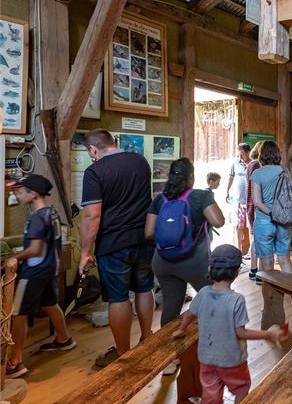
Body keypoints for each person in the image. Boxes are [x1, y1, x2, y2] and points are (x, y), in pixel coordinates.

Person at [171, 244, 288, 404]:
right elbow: (240, 333)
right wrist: (268, 334)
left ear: (210, 269)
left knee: (209, 401)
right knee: (241, 388)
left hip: (207, 359)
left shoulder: (202, 293)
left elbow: (189, 314)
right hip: (232, 361)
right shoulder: (236, 300)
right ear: (237, 271)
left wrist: (181, 330)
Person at [79, 128, 155, 368]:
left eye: (90, 153)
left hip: (113, 244)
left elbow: (92, 216)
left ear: (93, 149)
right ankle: (147, 338)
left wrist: (84, 253)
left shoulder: (94, 171)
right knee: (144, 289)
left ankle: (123, 353)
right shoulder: (140, 161)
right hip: (144, 238)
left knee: (118, 298)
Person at [145, 158, 225, 374]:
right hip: (195, 264)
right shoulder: (200, 196)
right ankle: (215, 354)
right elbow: (218, 221)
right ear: (191, 177)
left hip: (163, 262)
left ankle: (170, 361)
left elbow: (149, 233)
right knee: (215, 301)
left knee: (171, 307)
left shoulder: (160, 199)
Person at [5, 175, 76, 378]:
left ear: (33, 194)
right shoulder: (51, 213)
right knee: (49, 303)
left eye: (20, 192)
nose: (17, 195)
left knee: (19, 313)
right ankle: (64, 339)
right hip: (49, 269)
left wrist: (14, 258)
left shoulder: (37, 217)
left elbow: (35, 249)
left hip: (34, 272)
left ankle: (16, 361)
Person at [250, 141, 292, 314]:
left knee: (267, 268)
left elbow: (257, 202)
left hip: (264, 223)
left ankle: (269, 307)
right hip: (283, 223)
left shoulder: (257, 174)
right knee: (285, 261)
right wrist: (279, 215)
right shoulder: (284, 171)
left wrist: (271, 213)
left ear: (261, 155)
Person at [226, 143, 251, 255]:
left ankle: (251, 250)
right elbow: (231, 177)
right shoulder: (235, 163)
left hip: (250, 200)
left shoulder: (253, 163)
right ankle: (238, 249)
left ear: (247, 152)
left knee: (251, 225)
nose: (240, 155)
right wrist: (227, 191)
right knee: (238, 225)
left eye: (242, 152)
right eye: (239, 152)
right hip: (238, 199)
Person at [246, 141, 265, 282]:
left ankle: (254, 270)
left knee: (255, 238)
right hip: (256, 204)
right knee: (258, 239)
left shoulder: (250, 165)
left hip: (251, 203)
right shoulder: (256, 165)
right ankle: (258, 271)